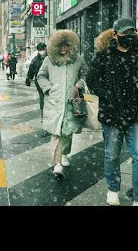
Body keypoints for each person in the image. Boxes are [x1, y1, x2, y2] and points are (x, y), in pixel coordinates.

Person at [86, 18, 138, 206]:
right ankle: (113, 189)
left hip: (137, 114)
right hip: (112, 114)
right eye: (124, 34)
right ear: (115, 35)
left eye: (131, 32)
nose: (128, 37)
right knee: (112, 155)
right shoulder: (104, 54)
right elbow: (92, 79)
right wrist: (108, 95)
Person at [37, 29, 88, 180]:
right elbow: (41, 76)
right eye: (60, 45)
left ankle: (64, 154)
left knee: (67, 131)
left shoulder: (78, 60)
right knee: (56, 133)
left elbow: (86, 75)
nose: (63, 48)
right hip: (54, 102)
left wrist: (78, 85)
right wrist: (49, 89)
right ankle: (57, 163)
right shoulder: (48, 60)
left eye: (66, 45)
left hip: (72, 102)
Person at [26, 43, 47, 122]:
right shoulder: (35, 60)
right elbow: (31, 71)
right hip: (39, 82)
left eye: (43, 49)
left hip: (50, 81)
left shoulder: (50, 57)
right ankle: (43, 115)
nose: (42, 51)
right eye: (40, 50)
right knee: (42, 97)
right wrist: (28, 80)